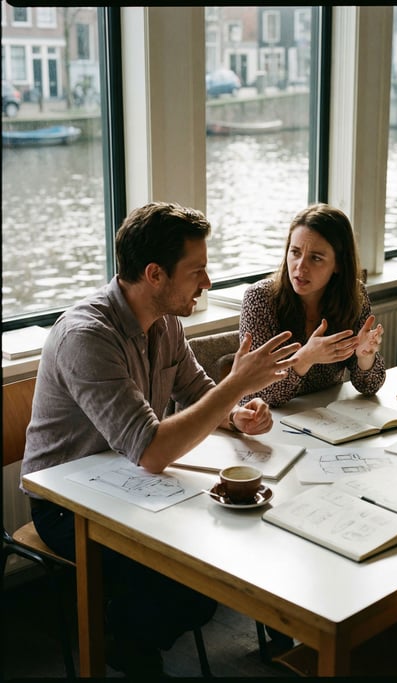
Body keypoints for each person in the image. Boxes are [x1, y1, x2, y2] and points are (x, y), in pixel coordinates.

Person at [20, 201, 300, 677]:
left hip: (126, 479)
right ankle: (124, 640)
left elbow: (196, 392)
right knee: (183, 573)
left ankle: (130, 633)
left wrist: (237, 414)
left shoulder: (165, 321)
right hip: (66, 501)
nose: (206, 283)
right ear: (154, 274)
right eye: (197, 271)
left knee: (219, 549)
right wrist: (237, 384)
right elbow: (151, 451)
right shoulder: (87, 336)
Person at [239, 203, 386, 409]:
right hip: (264, 421)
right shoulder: (260, 298)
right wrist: (305, 358)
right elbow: (256, 393)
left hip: (324, 419)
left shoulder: (354, 294)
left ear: (338, 264)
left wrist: (365, 357)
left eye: (315, 258)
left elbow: (369, 386)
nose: (300, 267)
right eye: (295, 252)